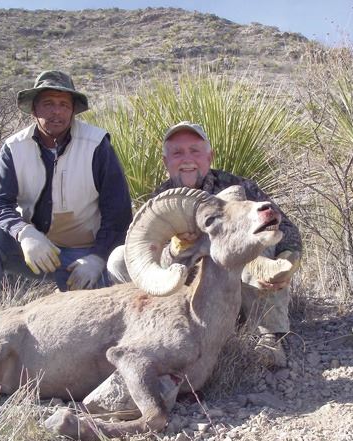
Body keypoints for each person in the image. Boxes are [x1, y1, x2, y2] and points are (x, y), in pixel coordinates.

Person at [108, 121, 302, 367]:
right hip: (185, 283)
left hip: (234, 278)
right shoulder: (160, 200)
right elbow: (146, 255)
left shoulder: (236, 187)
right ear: (166, 162)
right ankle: (150, 330)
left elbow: (286, 228)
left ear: (209, 157)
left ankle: (268, 334)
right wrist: (176, 248)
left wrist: (288, 260)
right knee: (119, 258)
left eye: (195, 151)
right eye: (177, 153)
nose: (187, 159)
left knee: (261, 239)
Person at [0, 70, 132, 335]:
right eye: (48, 103)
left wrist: (97, 257)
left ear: (73, 110)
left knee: (100, 319)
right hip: (37, 252)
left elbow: (118, 214)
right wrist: (25, 233)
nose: (57, 112)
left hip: (85, 256)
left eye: (64, 104)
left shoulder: (97, 145)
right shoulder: (14, 147)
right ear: (34, 109)